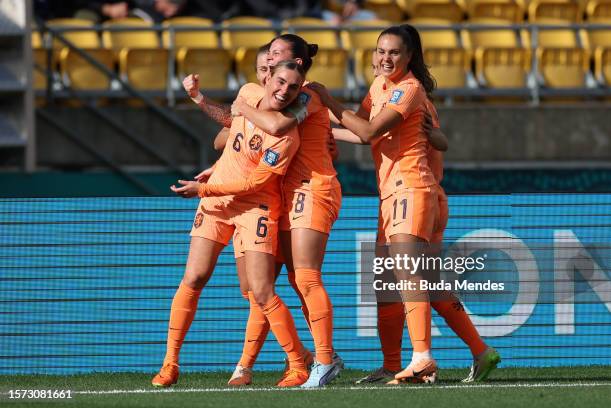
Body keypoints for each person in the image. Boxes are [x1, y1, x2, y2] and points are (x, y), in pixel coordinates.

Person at [151, 60, 310, 388]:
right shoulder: (248, 94)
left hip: (255, 207)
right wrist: (198, 98)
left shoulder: (287, 137)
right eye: (279, 81)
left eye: (292, 87)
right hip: (217, 202)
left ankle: (298, 364)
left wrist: (203, 188)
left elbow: (254, 184)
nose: (283, 90)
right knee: (193, 277)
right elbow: (233, 125)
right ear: (266, 78)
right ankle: (170, 364)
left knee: (260, 291)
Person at [308, 24, 440, 384]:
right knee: (385, 283)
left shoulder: (409, 90)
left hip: (411, 187)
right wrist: (322, 127)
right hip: (390, 193)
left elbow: (367, 132)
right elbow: (359, 128)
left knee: (409, 274)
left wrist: (327, 99)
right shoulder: (381, 86)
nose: (385, 57)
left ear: (409, 56)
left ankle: (423, 357)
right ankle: (394, 363)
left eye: (394, 52)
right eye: (380, 51)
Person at [230, 33, 344, 388]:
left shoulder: (304, 94)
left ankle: (322, 360)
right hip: (282, 192)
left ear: (297, 63)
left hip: (311, 188)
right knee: (263, 288)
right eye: (269, 53)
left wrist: (242, 108)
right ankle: (295, 361)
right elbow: (231, 134)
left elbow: (276, 126)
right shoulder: (268, 93)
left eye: (278, 53)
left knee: (305, 278)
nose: (269, 56)